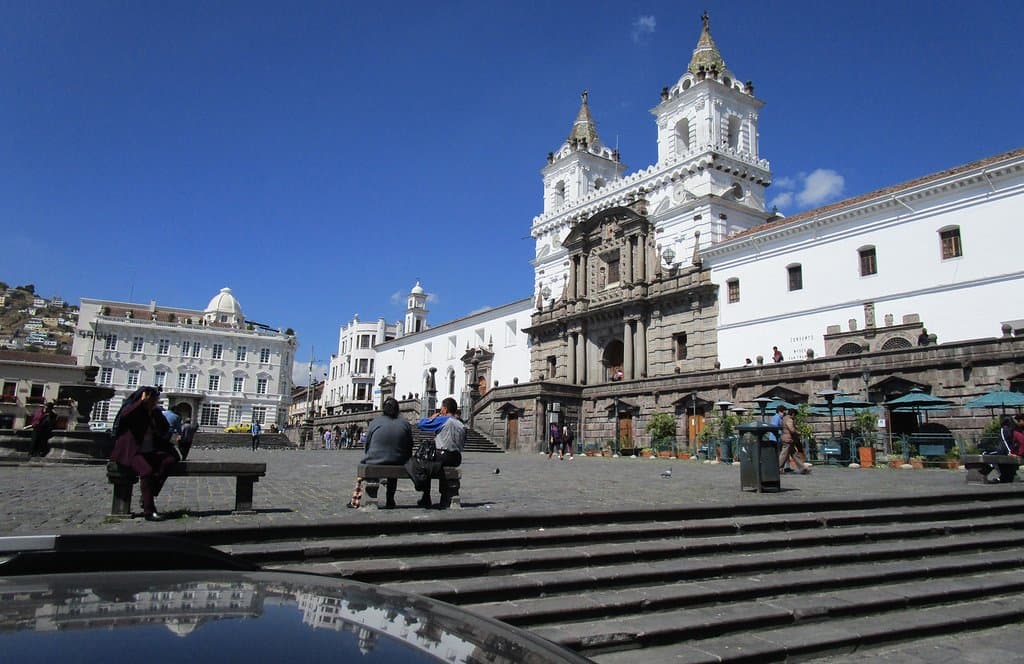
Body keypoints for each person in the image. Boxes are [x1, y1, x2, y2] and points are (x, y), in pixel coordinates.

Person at [109, 386, 178, 521]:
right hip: (132, 452)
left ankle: (149, 494)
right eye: (153, 400)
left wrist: (156, 418)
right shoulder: (132, 409)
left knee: (169, 460)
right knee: (146, 472)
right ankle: (149, 510)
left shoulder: (155, 412)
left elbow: (164, 428)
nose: (155, 402)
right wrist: (141, 403)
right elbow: (125, 416)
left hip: (150, 450)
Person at [351, 397, 413, 509]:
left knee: (363, 467)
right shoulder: (405, 423)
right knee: (393, 471)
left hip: (376, 459)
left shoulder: (375, 422)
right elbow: (410, 444)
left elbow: (367, 444)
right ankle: (390, 498)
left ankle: (359, 500)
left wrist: (370, 454)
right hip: (398, 460)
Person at [408, 397, 466, 508]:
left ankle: (426, 496)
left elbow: (422, 424)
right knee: (435, 463)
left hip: (443, 454)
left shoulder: (444, 420)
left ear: (445, 409)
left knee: (425, 462)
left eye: (441, 408)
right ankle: (445, 496)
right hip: (457, 457)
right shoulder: (461, 424)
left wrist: (432, 417)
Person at [779, 407, 809, 474]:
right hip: (788, 439)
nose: (795, 417)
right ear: (792, 414)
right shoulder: (789, 419)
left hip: (787, 439)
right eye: (795, 415)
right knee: (784, 454)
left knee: (794, 454)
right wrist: (798, 432)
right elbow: (792, 430)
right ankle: (778, 468)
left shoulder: (784, 418)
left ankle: (802, 468)